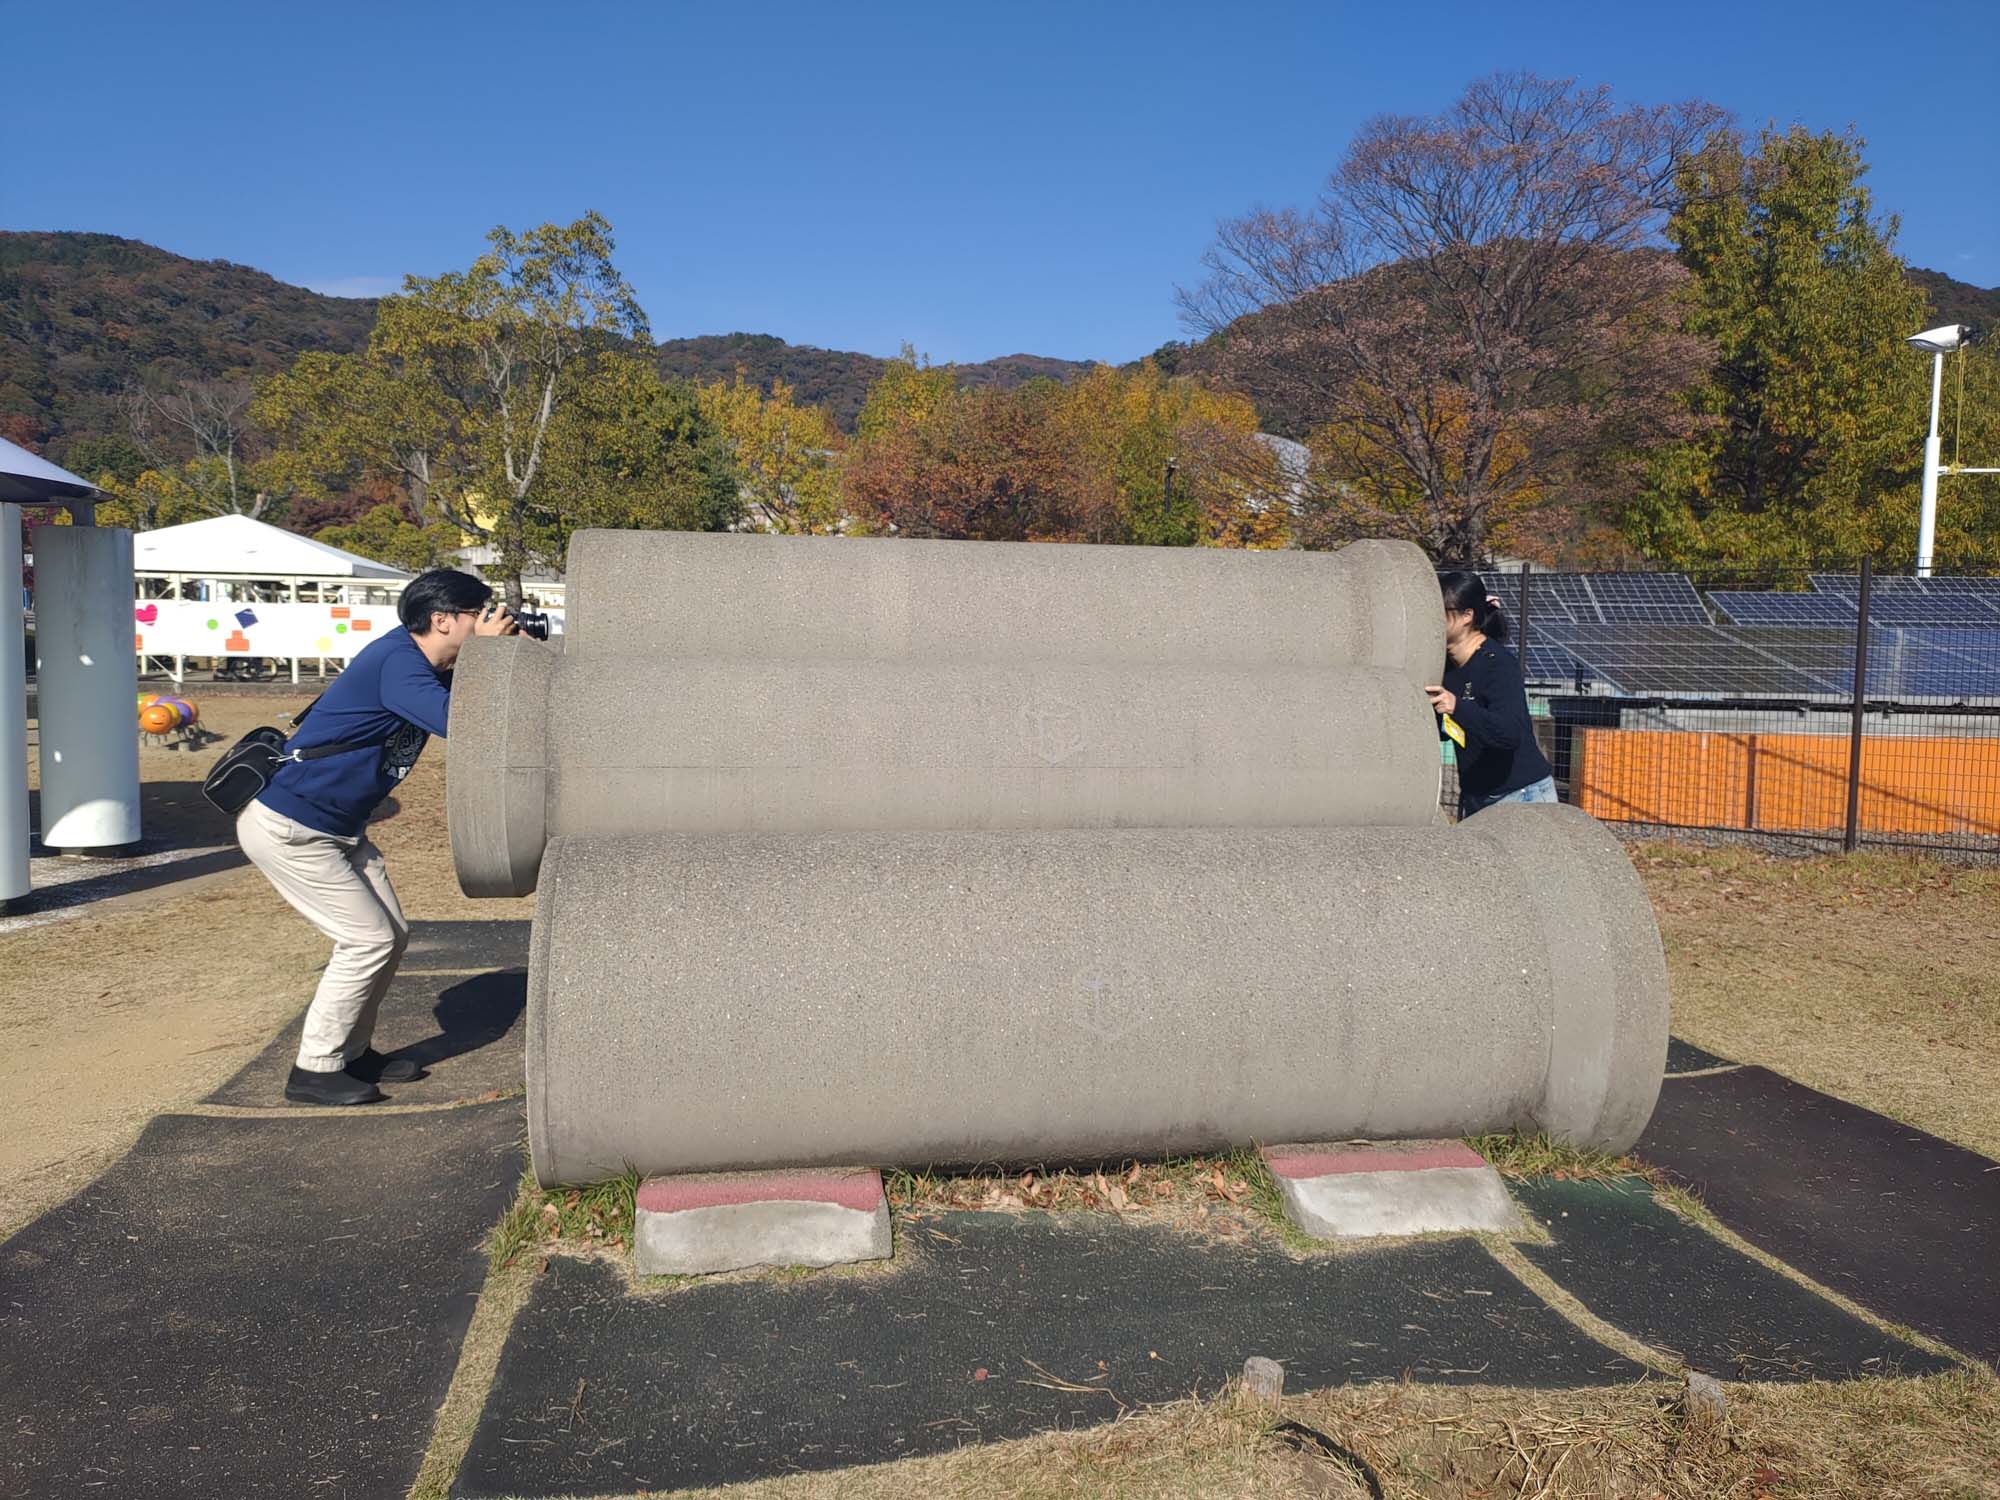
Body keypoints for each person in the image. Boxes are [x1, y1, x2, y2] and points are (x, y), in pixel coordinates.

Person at [237, 569, 518, 1105]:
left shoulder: (431, 666)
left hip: (337, 828)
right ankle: (314, 1071)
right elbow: (465, 725)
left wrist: (507, 654)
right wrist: (490, 654)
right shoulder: (399, 662)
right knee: (368, 940)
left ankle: (351, 1052)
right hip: (294, 829)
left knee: (391, 934)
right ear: (442, 620)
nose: (488, 621)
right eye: (478, 613)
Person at [1425, 571, 1557, 820]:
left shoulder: (1497, 664)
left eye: (1439, 611)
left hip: (1521, 796)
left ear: (1467, 616)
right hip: (1476, 797)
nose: (1430, 619)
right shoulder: (1446, 668)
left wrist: (1457, 707)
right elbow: (1451, 730)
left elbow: (1509, 733)